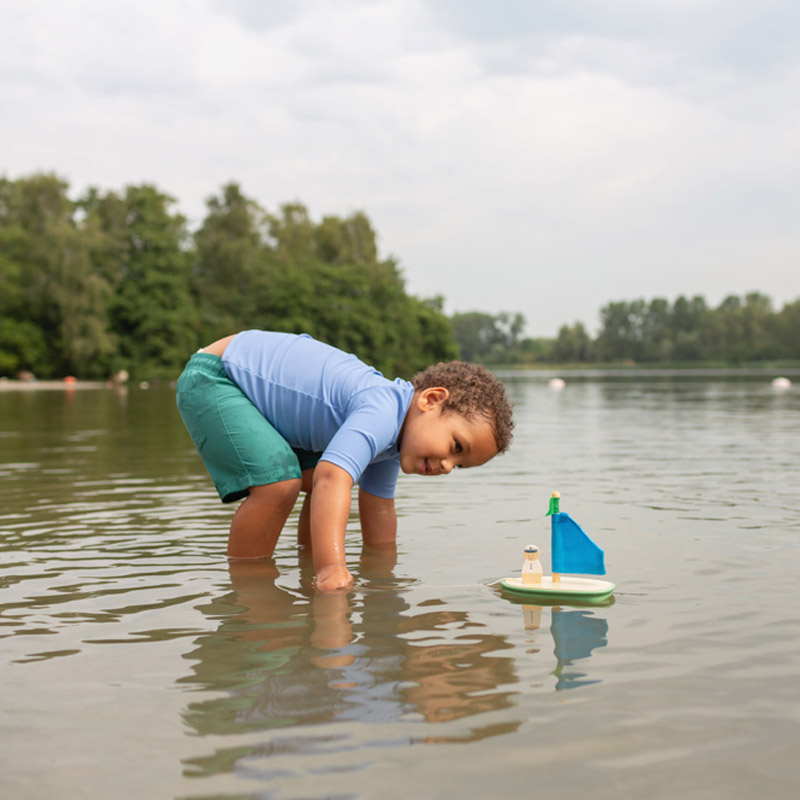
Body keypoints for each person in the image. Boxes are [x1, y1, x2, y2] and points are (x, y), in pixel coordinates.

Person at [176, 330, 514, 592]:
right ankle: (247, 587)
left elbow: (379, 509)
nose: (447, 466)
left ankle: (308, 571)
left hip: (249, 391)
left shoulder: (392, 444)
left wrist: (384, 575)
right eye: (456, 446)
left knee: (313, 481)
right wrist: (333, 567)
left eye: (460, 466)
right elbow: (332, 478)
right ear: (431, 399)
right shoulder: (382, 409)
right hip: (217, 376)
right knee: (281, 485)